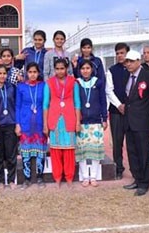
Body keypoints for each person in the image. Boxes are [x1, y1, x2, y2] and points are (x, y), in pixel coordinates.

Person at [122, 51, 149, 196]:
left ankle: (145, 182)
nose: (129, 64)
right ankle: (137, 179)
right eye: (127, 61)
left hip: (143, 122)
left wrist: (148, 116)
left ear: (139, 61)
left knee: (144, 153)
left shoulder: (148, 76)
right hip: (129, 121)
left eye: (131, 61)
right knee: (132, 152)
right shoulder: (127, 76)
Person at [43, 58, 81, 188]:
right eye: (57, 69)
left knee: (69, 150)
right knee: (55, 150)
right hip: (54, 120)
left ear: (67, 69)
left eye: (62, 68)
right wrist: (45, 124)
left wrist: (78, 122)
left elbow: (77, 103)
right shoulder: (49, 83)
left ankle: (69, 177)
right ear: (54, 69)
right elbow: (45, 105)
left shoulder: (73, 82)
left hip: (69, 119)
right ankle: (57, 177)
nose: (60, 71)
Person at [75, 60, 108, 187]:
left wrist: (104, 118)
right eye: (82, 68)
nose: (85, 71)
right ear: (79, 70)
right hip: (82, 122)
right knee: (82, 151)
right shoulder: (77, 83)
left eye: (88, 68)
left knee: (95, 151)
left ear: (92, 70)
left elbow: (103, 101)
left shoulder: (98, 82)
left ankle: (93, 176)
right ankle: (84, 176)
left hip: (95, 122)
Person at [15, 62, 47, 189]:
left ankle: (40, 177)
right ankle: (27, 179)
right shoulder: (21, 87)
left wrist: (46, 123)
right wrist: (18, 124)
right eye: (30, 72)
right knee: (26, 153)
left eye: (35, 72)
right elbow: (17, 106)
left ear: (38, 73)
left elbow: (46, 105)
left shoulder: (44, 86)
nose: (32, 74)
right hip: (25, 123)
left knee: (40, 153)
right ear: (26, 73)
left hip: (40, 124)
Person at [105, 42, 130, 179]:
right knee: (117, 142)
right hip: (116, 112)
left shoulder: (135, 68)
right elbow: (109, 90)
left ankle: (136, 169)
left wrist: (128, 106)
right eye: (117, 53)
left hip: (132, 112)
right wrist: (119, 105)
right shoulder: (112, 70)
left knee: (132, 142)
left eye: (122, 53)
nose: (120, 56)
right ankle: (118, 168)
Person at [0, 64, 18, 189]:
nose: (2, 76)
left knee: (11, 154)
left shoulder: (12, 87)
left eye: (4, 73)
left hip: (11, 124)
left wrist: (17, 123)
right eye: (0, 73)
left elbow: (16, 105)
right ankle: (1, 180)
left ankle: (12, 179)